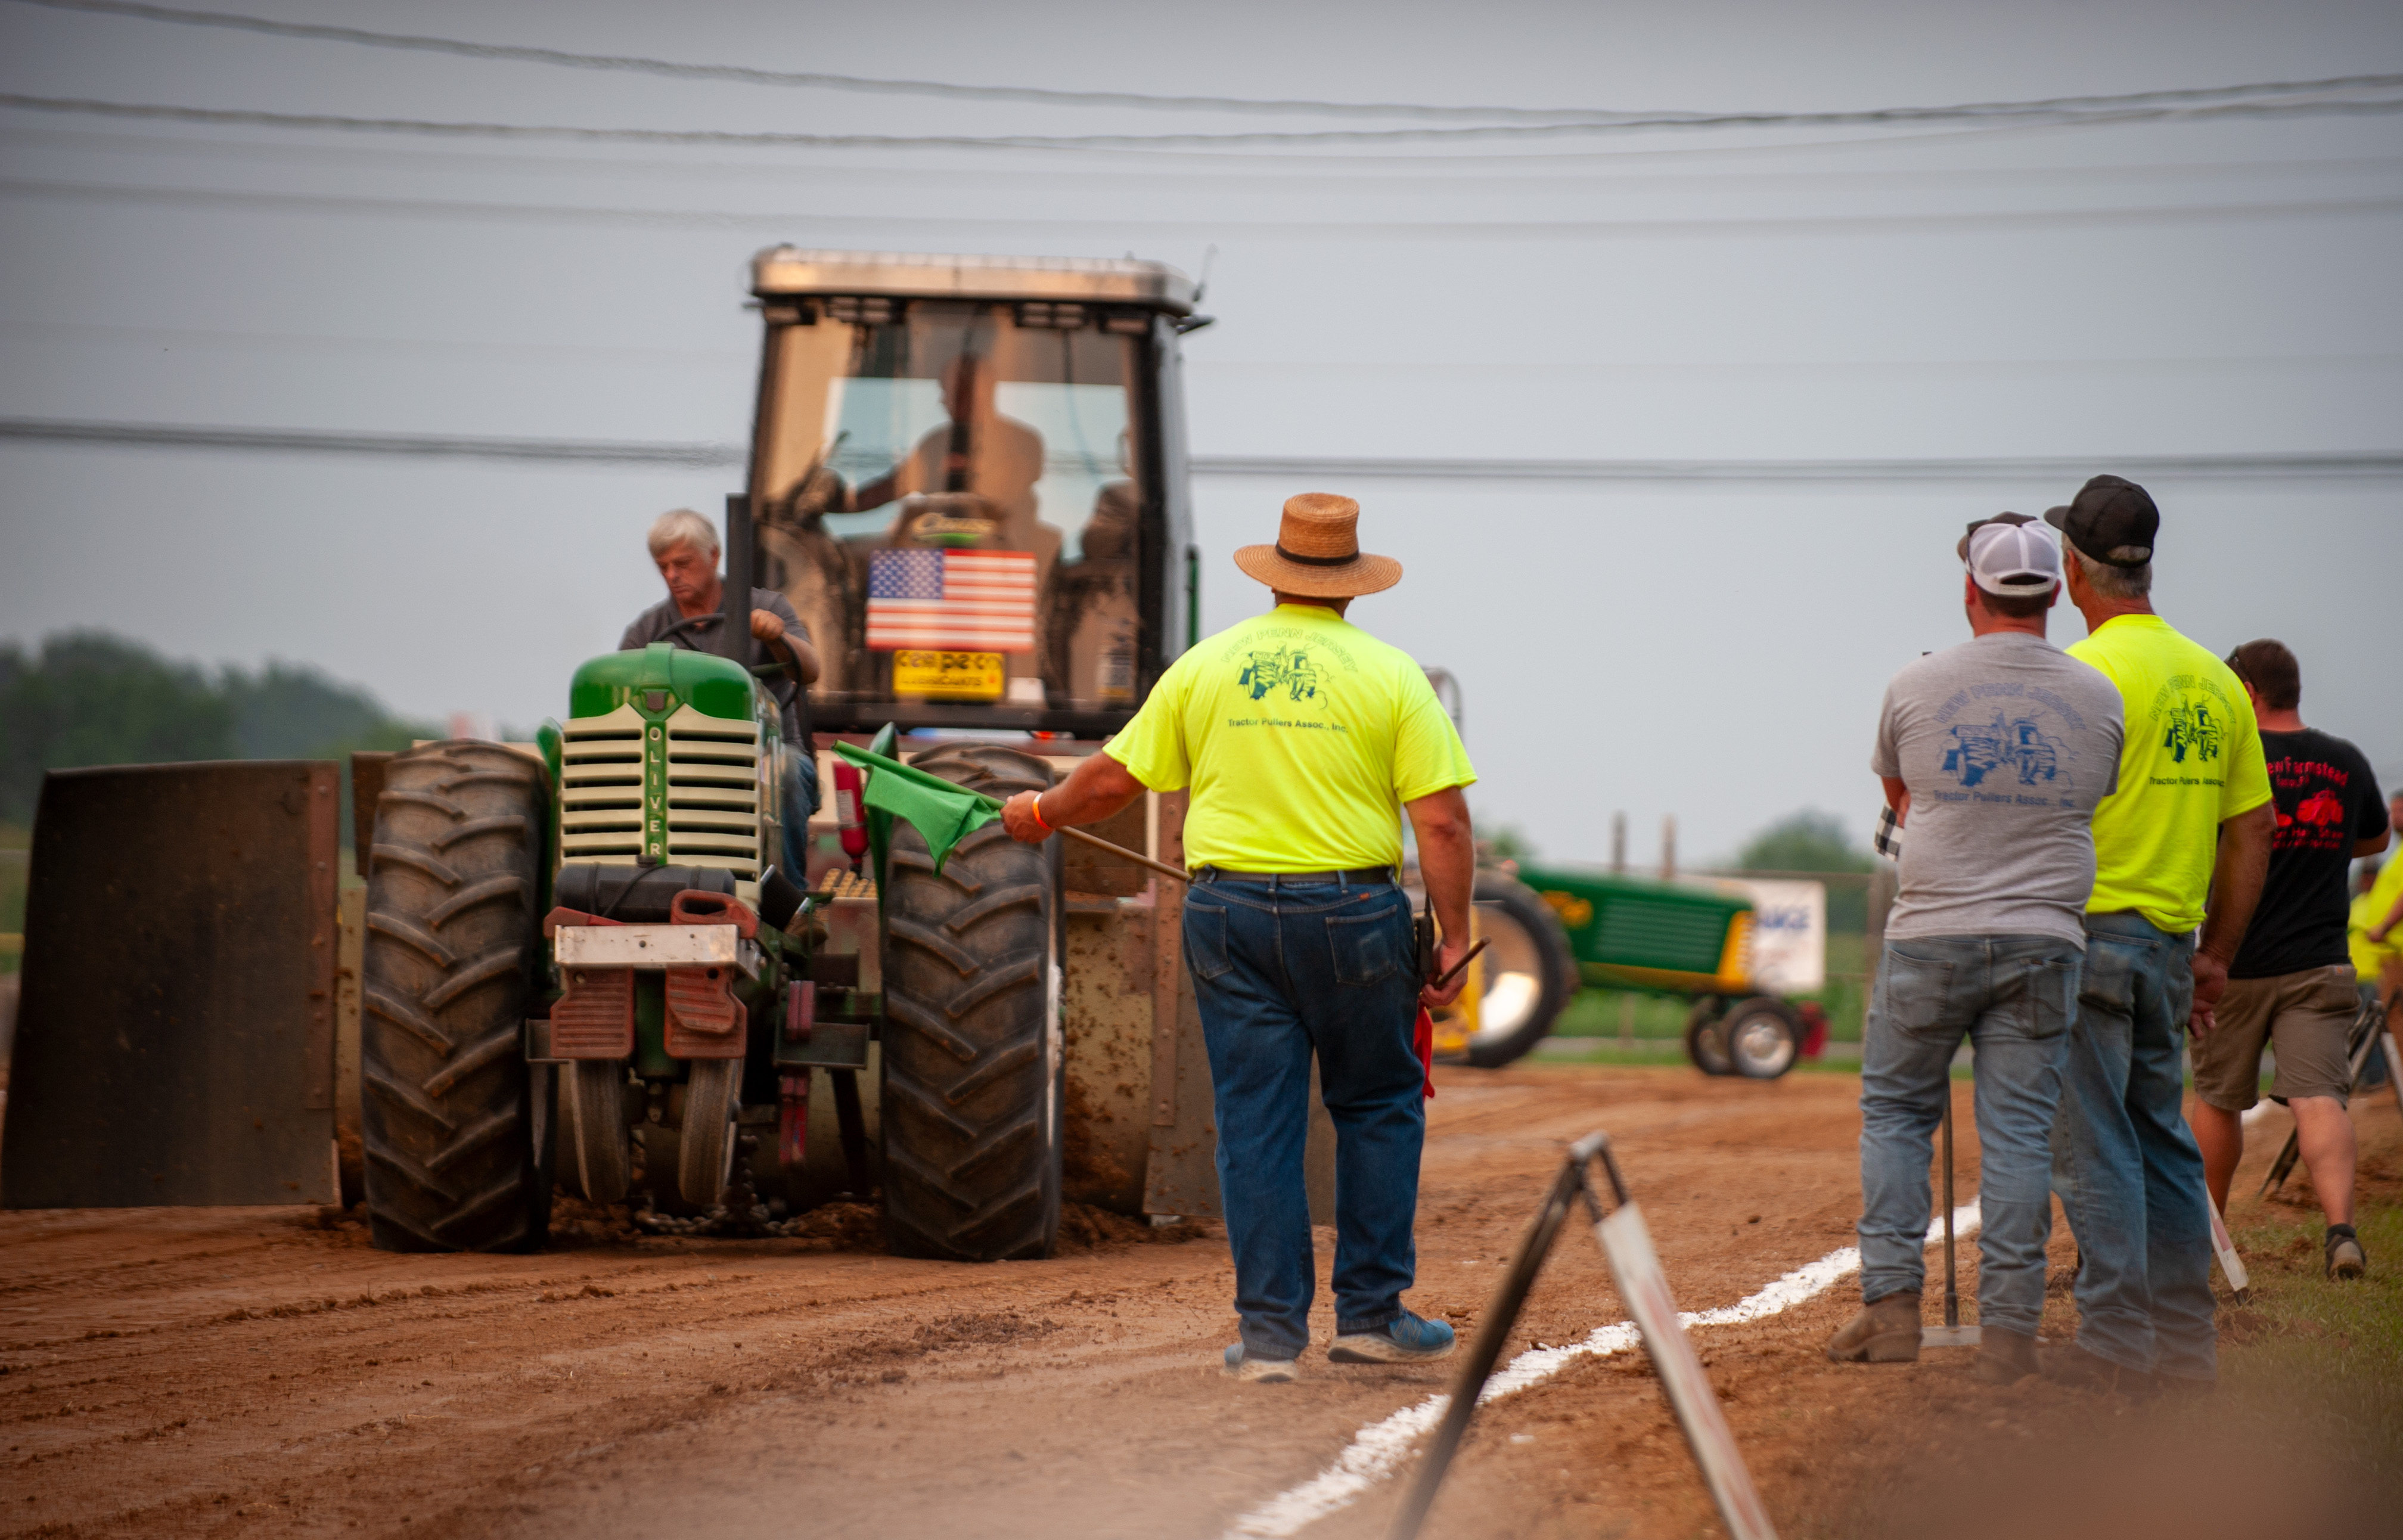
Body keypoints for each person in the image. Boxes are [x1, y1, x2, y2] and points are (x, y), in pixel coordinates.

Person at [997, 493, 1477, 1383]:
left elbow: (1107, 782)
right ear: (1353, 588)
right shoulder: (1393, 676)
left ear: (1277, 576)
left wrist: (1037, 812)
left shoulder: (1207, 667)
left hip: (1229, 917)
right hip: (1352, 917)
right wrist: (1454, 938)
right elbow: (1442, 826)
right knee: (1376, 1107)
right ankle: (1370, 1317)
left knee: (1255, 1127)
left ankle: (1268, 1343)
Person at [1827, 513, 2123, 1386]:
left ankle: (1889, 1313)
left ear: (1973, 591)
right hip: (2045, 937)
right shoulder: (2098, 695)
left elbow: (1902, 792)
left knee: (1894, 1116)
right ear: (2054, 596)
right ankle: (2009, 1335)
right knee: (2022, 1137)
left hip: (1932, 934)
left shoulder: (1915, 685)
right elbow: (2089, 794)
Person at [2042, 476, 2275, 1395]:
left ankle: (2113, 1343)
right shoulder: (2218, 679)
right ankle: (2188, 1349)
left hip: (2089, 936)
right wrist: (2217, 954)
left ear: (2071, 572)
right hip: (2174, 945)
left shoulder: (2084, 677)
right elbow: (2250, 828)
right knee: (2165, 1141)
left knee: (2092, 1143)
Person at [2188, 641, 2388, 1280]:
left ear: (2247, 692)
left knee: (2219, 1100)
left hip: (2236, 961)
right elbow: (2377, 836)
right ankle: (2341, 1232)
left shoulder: (2232, 758)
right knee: (2320, 1098)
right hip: (2320, 963)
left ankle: (2206, 1238)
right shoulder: (2345, 760)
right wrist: (2319, 849)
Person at [619, 508, 822, 881]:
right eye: (663, 567)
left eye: (683, 563)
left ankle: (788, 900)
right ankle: (631, 886)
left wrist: (776, 638)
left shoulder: (767, 607)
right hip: (682, 762)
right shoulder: (647, 632)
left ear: (713, 555)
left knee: (787, 772)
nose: (672, 576)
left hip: (765, 754)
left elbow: (809, 670)